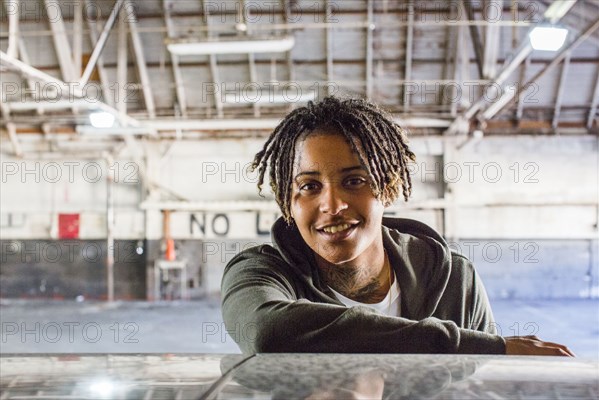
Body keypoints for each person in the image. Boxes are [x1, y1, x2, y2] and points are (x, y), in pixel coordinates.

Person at [221, 96, 574, 356]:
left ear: (386, 188)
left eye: (355, 181)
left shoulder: (454, 279)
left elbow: (477, 387)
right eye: (309, 187)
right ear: (289, 203)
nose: (332, 205)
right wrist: (478, 347)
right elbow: (268, 332)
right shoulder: (260, 272)